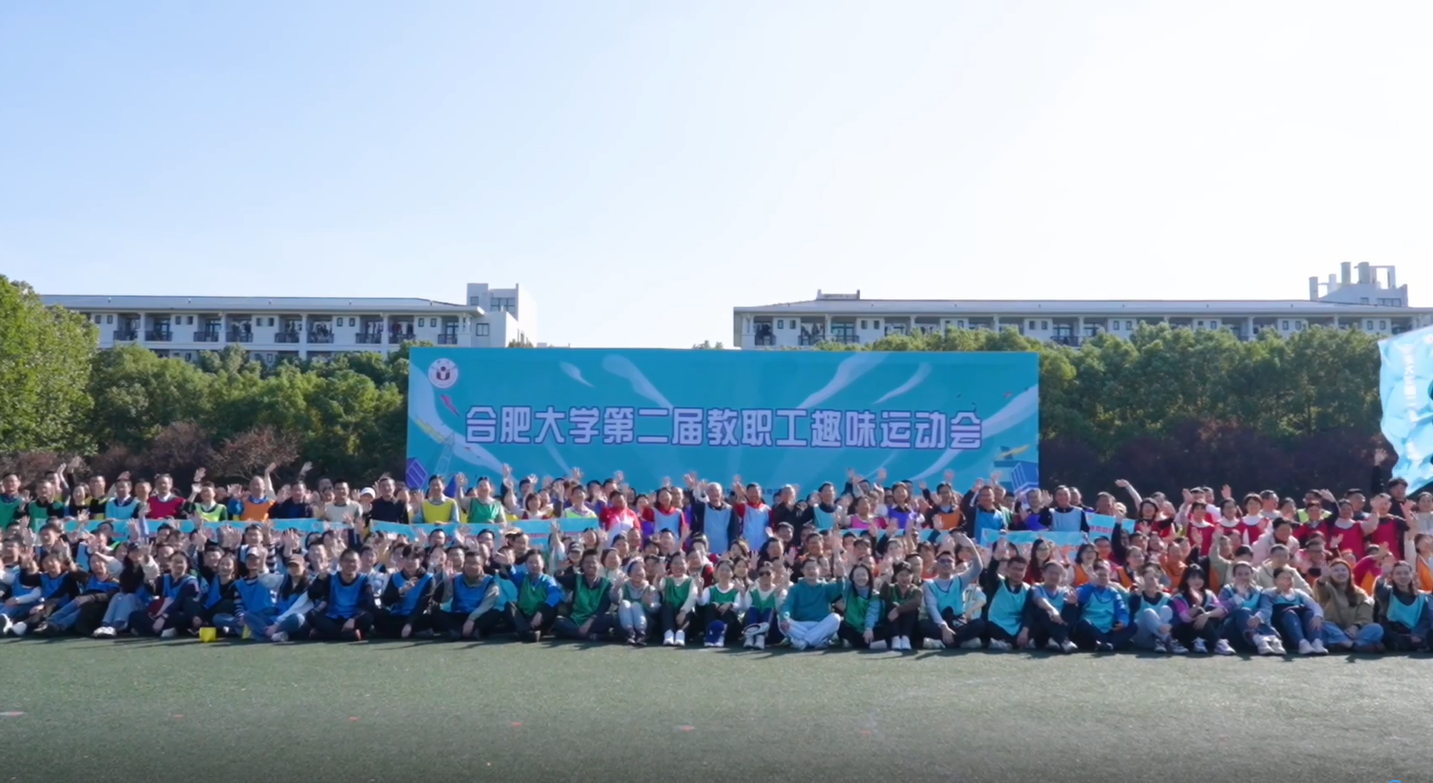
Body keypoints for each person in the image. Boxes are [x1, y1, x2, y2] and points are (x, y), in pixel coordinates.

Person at [920, 535, 987, 651]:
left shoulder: (960, 580)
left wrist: (971, 546)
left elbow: (978, 568)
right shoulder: (929, 584)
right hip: (940, 623)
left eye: (949, 561)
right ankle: (960, 642)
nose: (946, 564)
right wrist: (944, 627)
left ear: (954, 564)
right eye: (942, 561)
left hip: (958, 623)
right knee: (923, 625)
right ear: (936, 564)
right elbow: (932, 607)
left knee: (979, 624)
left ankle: (946, 642)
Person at [1314, 560, 1384, 653]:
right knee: (1322, 624)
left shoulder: (1360, 593)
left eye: (1343, 570)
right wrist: (1323, 578)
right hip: (1333, 630)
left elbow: (1365, 615)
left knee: (1377, 628)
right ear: (1330, 574)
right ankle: (1354, 645)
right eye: (1336, 570)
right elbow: (1320, 592)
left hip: (1353, 632)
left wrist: (1356, 626)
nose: (1340, 573)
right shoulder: (1328, 588)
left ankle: (1342, 644)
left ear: (1350, 573)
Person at [308, 549, 374, 641]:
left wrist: (354, 619)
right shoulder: (331, 578)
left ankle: (322, 635)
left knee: (368, 617)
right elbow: (312, 594)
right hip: (332, 617)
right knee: (311, 615)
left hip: (354, 619)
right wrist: (319, 579)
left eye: (353, 561)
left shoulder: (365, 579)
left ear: (359, 563)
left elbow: (369, 603)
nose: (350, 564)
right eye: (346, 561)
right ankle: (348, 635)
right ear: (340, 563)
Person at [778, 556, 842, 650]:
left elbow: (839, 589)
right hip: (800, 625)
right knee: (780, 618)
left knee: (835, 618)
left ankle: (803, 642)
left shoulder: (826, 587)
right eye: (808, 568)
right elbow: (787, 605)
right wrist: (785, 617)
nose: (811, 571)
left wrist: (839, 577)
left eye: (814, 568)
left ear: (819, 570)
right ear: (802, 570)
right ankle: (818, 640)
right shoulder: (795, 589)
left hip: (820, 625)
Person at [1170, 565, 1233, 655]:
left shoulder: (1209, 594)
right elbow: (1184, 618)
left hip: (1205, 627)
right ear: (1186, 580)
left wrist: (1206, 615)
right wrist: (1197, 605)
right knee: (1199, 611)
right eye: (1193, 578)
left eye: (1200, 577)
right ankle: (1217, 642)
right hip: (1185, 631)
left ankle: (1201, 640)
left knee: (1210, 609)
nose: (1197, 581)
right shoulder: (1179, 597)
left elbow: (1222, 610)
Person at [1266, 566, 1327, 656]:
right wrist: (1279, 590)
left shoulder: (1298, 593)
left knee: (1309, 613)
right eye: (1283, 578)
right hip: (1283, 627)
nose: (1287, 580)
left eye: (1290, 578)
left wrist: (1318, 616)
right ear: (1274, 581)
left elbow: (1314, 605)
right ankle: (1301, 643)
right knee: (1290, 614)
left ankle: (1316, 641)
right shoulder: (1269, 593)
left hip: (1301, 623)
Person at [378, 546, 436, 639]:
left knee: (429, 618)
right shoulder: (395, 577)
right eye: (406, 558)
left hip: (417, 617)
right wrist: (401, 590)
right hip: (398, 616)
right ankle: (411, 633)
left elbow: (423, 604)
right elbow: (386, 601)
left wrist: (409, 623)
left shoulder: (428, 578)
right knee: (379, 614)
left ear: (421, 559)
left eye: (413, 558)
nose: (409, 562)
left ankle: (402, 632)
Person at [1072, 562, 1132, 652]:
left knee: (1132, 626)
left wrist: (1123, 621)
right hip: (1091, 628)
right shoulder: (1084, 588)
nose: (1103, 578)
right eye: (1099, 575)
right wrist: (1091, 584)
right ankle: (1114, 644)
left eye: (1105, 575)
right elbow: (1081, 600)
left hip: (1109, 629)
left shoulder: (1113, 592)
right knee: (1083, 624)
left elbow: (1121, 609)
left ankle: (1108, 645)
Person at [1373, 560, 1431, 652]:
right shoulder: (1388, 593)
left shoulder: (1422, 596)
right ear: (1392, 576)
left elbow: (1425, 620)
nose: (1402, 576)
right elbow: (1379, 589)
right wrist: (1383, 576)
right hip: (1394, 631)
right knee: (1381, 630)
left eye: (1406, 573)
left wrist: (1417, 634)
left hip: (1415, 632)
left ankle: (1411, 643)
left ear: (1412, 575)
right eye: (1398, 573)